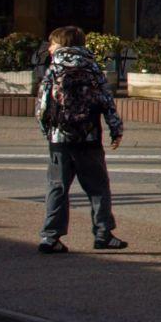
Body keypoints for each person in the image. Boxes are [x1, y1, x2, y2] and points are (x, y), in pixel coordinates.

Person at [37, 27, 127, 253]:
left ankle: (51, 237)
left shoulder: (54, 69)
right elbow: (107, 101)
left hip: (60, 138)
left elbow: (42, 106)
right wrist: (116, 130)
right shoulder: (92, 67)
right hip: (89, 137)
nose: (50, 48)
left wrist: (48, 131)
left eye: (52, 44)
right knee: (98, 188)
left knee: (57, 188)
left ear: (63, 44)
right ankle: (103, 234)